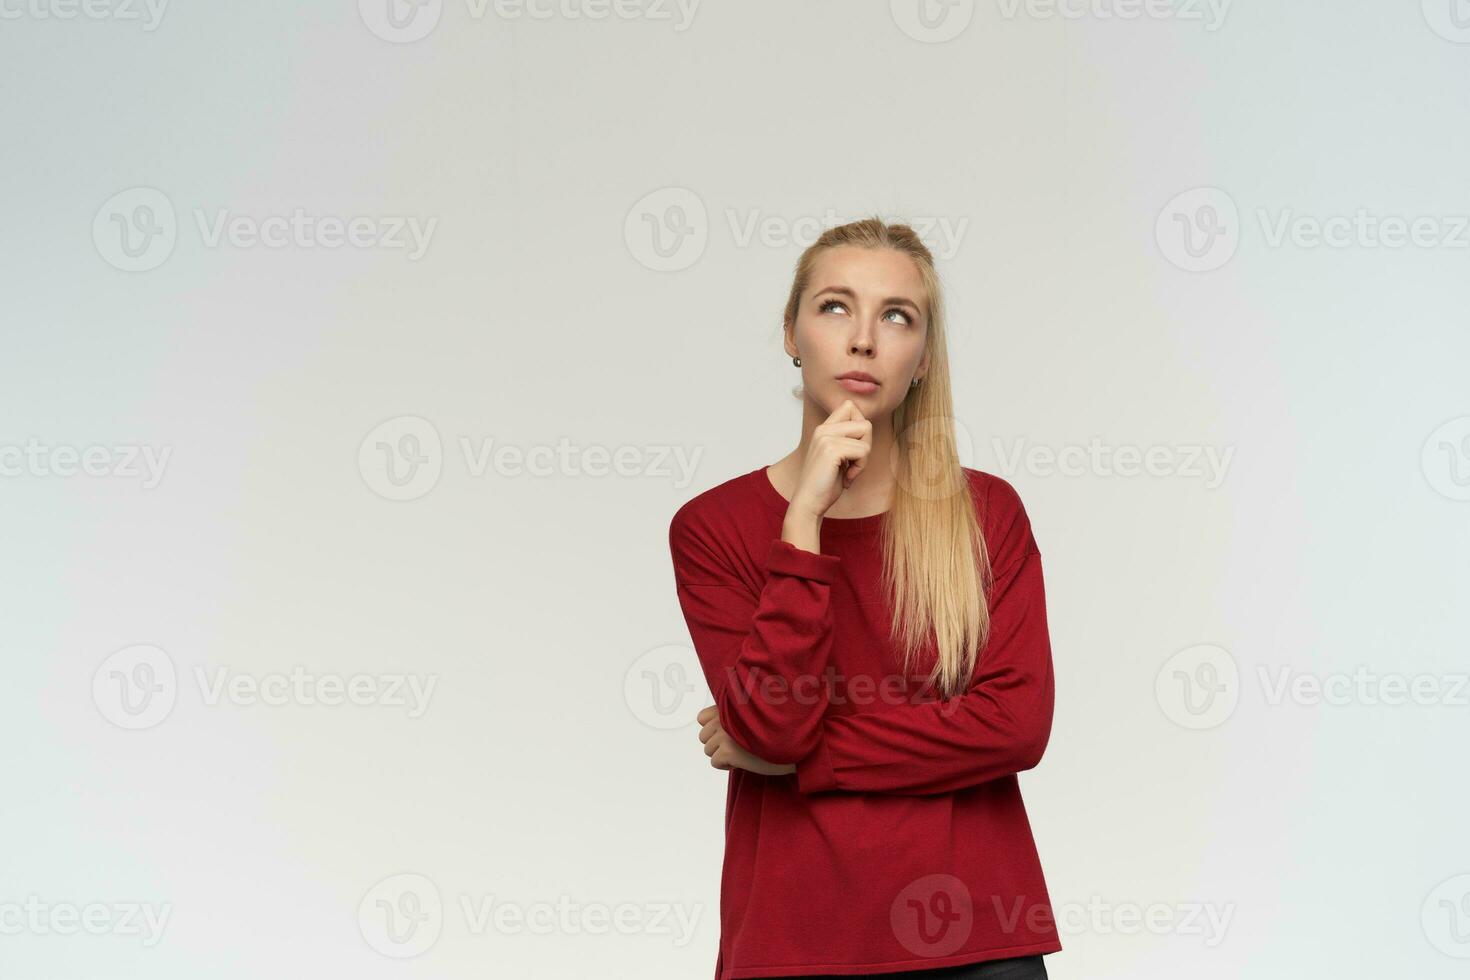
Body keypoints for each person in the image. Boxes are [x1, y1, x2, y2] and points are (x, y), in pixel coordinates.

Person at [667, 217, 1061, 979]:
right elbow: (776, 726)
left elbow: (1014, 727)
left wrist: (805, 759)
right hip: (793, 940)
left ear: (920, 360)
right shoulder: (712, 529)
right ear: (791, 333)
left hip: (974, 937)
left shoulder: (988, 515)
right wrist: (803, 525)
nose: (863, 339)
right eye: (835, 307)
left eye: (897, 316)